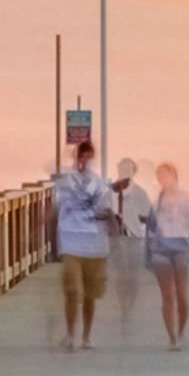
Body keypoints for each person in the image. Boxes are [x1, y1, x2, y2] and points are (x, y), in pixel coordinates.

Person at [50, 140, 117, 348]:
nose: (84, 161)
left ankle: (86, 336)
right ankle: (71, 335)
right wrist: (52, 244)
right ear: (76, 158)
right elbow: (53, 212)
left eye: (89, 157)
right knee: (73, 292)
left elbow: (110, 214)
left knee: (90, 295)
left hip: (95, 246)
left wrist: (114, 233)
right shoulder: (64, 183)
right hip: (71, 243)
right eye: (82, 156)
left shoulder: (101, 184)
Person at [140, 159, 189, 346]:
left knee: (182, 295)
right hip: (161, 249)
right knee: (168, 295)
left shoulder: (186, 199)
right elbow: (152, 227)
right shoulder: (158, 201)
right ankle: (172, 337)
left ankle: (181, 330)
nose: (163, 180)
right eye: (160, 177)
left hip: (181, 247)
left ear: (174, 176)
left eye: (165, 175)